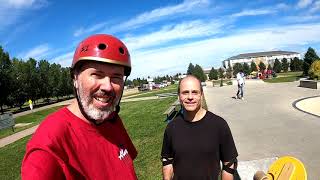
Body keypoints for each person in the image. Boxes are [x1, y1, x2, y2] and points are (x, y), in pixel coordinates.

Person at [21, 34, 137, 179]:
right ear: (75, 78)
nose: (108, 86)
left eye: (116, 77)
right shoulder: (48, 145)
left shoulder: (112, 118)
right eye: (97, 74)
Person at [161, 75, 238, 180]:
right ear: (179, 96)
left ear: (201, 94)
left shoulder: (219, 125)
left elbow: (228, 166)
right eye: (185, 92)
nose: (190, 97)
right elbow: (167, 161)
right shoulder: (171, 128)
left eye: (195, 92)